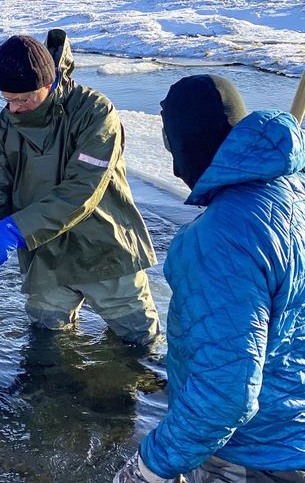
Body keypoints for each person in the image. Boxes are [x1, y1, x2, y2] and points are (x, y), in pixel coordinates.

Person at [113, 75, 305, 482]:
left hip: (260, 451)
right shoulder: (292, 191)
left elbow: (226, 394)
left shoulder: (219, 239)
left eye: (170, 144)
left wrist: (153, 465)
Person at [0, 34, 160, 345]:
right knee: (47, 350)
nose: (14, 109)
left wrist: (15, 230)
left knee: (141, 345)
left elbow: (82, 191)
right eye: (6, 98)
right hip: (44, 261)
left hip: (104, 251)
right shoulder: (2, 129)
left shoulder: (95, 114)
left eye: (22, 99)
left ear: (48, 85)